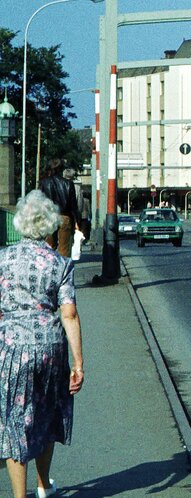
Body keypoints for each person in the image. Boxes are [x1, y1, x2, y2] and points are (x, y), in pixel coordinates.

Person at [0, 190, 84, 498]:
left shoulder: (2, 260)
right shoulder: (60, 264)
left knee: (14, 422)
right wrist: (78, 363)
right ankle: (43, 485)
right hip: (50, 350)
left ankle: (20, 495)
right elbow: (70, 314)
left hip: (9, 350)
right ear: (48, 226)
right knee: (46, 415)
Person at [37, 160, 79, 258]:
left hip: (49, 217)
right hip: (65, 217)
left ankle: (50, 267)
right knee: (64, 248)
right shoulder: (68, 184)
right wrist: (76, 222)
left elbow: (40, 202)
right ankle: (63, 269)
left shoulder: (44, 183)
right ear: (61, 169)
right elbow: (73, 206)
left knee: (49, 246)